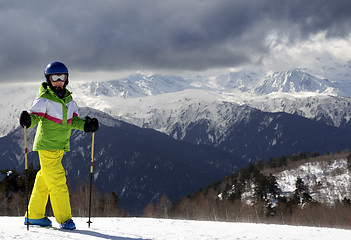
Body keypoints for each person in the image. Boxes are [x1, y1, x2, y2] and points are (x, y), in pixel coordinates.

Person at [19, 61, 99, 230]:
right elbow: (35, 117)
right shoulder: (44, 99)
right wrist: (28, 120)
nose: (58, 81)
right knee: (57, 181)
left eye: (62, 77)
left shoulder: (69, 100)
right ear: (48, 79)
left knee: (44, 180)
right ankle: (64, 219)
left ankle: (34, 215)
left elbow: (73, 121)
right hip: (47, 145)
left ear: (67, 79)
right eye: (54, 77)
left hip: (59, 147)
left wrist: (86, 125)